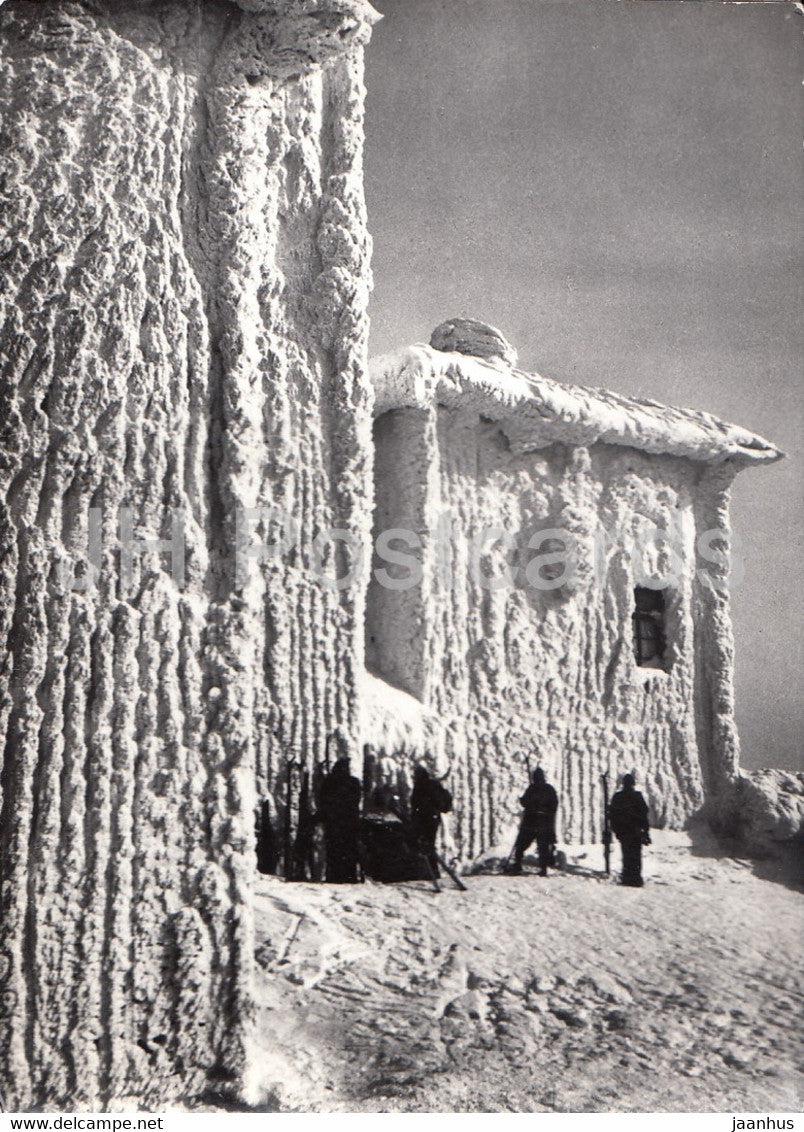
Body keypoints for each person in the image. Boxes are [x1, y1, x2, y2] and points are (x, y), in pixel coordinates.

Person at [318, 755, 362, 883]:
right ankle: (349, 876)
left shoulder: (330, 781)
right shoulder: (353, 782)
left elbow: (323, 800)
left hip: (335, 822)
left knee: (335, 850)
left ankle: (335, 876)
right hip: (348, 821)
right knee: (348, 850)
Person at [508, 766, 558, 876]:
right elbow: (554, 804)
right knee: (543, 846)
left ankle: (517, 864)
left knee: (521, 844)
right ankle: (543, 869)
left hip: (531, 820)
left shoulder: (532, 788)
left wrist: (522, 800)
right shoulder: (549, 789)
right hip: (543, 821)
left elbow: (525, 802)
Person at [608, 772, 650, 887]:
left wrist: (616, 830)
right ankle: (636, 879)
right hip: (635, 831)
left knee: (627, 855)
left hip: (624, 832)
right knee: (636, 855)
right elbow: (644, 815)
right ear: (633, 784)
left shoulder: (618, 797)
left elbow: (612, 815)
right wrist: (645, 831)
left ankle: (627, 877)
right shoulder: (637, 796)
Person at [410, 764, 452, 877]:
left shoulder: (419, 786)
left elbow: (415, 804)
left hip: (423, 819)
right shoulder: (434, 784)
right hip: (434, 818)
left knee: (422, 844)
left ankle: (429, 872)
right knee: (430, 844)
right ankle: (433, 870)